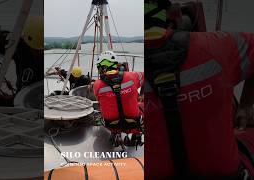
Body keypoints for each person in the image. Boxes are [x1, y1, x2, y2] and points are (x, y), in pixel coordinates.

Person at [146, 0, 254, 179]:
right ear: (172, 13)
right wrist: (246, 106)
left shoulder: (133, 78)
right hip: (225, 173)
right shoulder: (217, 48)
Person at [93, 51, 144, 146]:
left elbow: (100, 101)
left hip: (111, 125)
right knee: (142, 105)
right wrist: (141, 95)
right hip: (133, 122)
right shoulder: (132, 76)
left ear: (101, 68)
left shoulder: (97, 85)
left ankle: (115, 133)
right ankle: (136, 135)